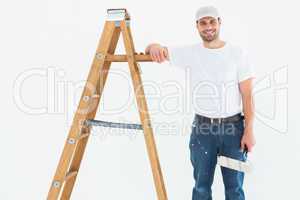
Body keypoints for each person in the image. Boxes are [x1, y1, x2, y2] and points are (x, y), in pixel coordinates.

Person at [145, 6, 256, 200]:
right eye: (203, 23)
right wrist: (153, 46)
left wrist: (249, 131)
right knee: (201, 187)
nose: (208, 27)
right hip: (203, 131)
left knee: (234, 189)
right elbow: (154, 49)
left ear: (219, 22)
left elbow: (247, 95)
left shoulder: (237, 53)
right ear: (197, 26)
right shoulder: (190, 53)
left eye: (212, 21)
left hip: (234, 131)